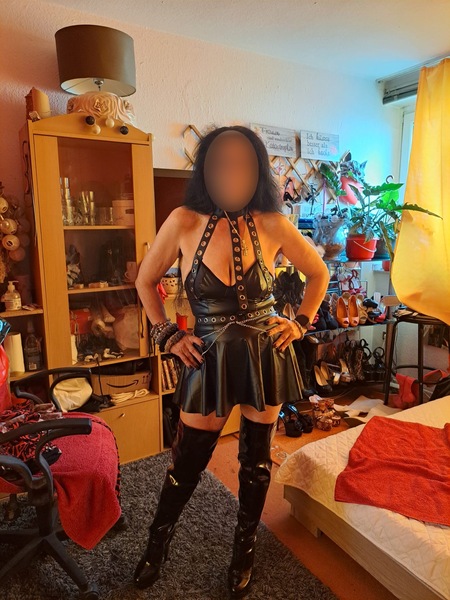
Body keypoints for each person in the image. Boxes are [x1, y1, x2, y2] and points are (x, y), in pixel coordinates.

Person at [134, 125, 329, 597]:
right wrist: (167, 335)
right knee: (187, 463)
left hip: (266, 356)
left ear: (257, 170)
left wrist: (300, 323)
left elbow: (318, 273)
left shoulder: (274, 223)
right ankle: (156, 546)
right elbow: (145, 281)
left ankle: (244, 551)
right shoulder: (183, 220)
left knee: (256, 465)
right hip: (208, 357)